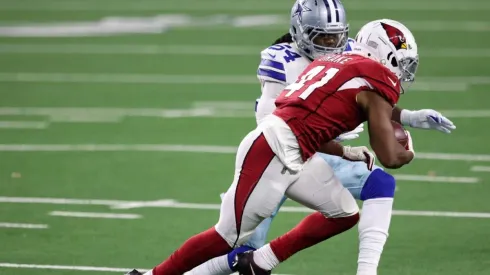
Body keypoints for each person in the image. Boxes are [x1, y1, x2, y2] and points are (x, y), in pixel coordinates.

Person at [185, 1, 455, 275]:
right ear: (300, 32)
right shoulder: (281, 58)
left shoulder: (351, 54)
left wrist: (408, 117)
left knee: (378, 185)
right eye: (322, 35)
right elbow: (272, 119)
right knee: (238, 246)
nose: (331, 42)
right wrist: (340, 148)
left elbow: (367, 103)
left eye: (336, 35)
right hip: (284, 151)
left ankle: (366, 271)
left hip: (324, 151)